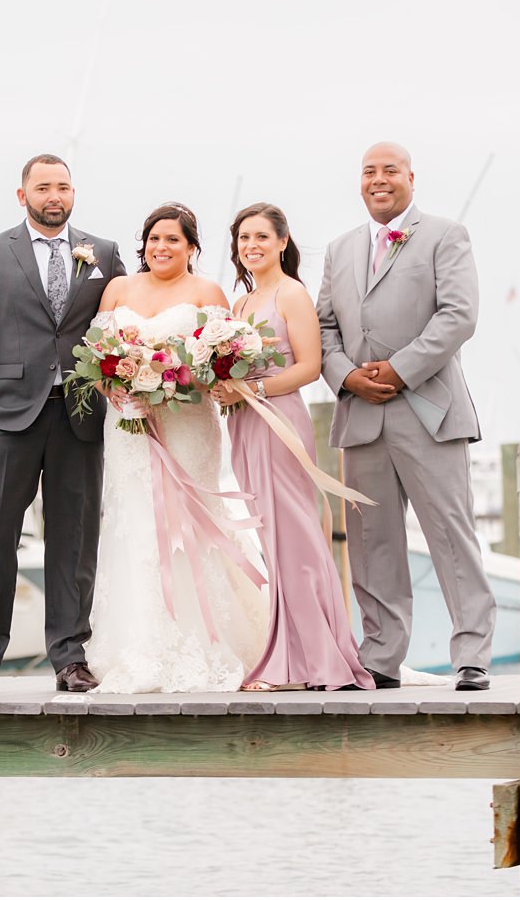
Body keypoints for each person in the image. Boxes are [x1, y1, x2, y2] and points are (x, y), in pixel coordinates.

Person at [0, 154, 125, 694]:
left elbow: (121, 329)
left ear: (74, 194)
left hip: (80, 416)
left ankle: (69, 657)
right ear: (22, 195)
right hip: (7, 417)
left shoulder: (105, 254)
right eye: (43, 187)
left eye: (63, 187)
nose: (55, 196)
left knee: (74, 539)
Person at [315, 142, 494, 691]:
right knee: (372, 543)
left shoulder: (445, 236)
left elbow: (459, 315)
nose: (378, 179)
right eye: (368, 171)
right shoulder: (339, 249)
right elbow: (324, 327)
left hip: (428, 409)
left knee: (450, 532)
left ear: (411, 178)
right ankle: (381, 657)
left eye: (389, 170)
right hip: (362, 414)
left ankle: (472, 656)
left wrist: (399, 369)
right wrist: (346, 376)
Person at [83, 202, 269, 694]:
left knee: (190, 525)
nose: (161, 248)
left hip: (187, 425)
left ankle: (202, 640)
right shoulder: (118, 289)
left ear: (191, 247)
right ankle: (138, 647)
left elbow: (223, 363)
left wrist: (173, 384)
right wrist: (120, 390)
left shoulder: (206, 292)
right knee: (136, 523)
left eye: (173, 240)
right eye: (153, 239)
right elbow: (98, 360)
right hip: (129, 427)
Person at [212, 203, 373, 692]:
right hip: (244, 426)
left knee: (297, 536)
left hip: (280, 423)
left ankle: (317, 660)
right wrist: (220, 387)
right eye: (243, 238)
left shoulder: (292, 293)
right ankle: (290, 656)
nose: (251, 246)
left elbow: (308, 366)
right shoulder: (239, 306)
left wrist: (254, 390)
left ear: (283, 241)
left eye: (261, 236)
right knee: (273, 540)